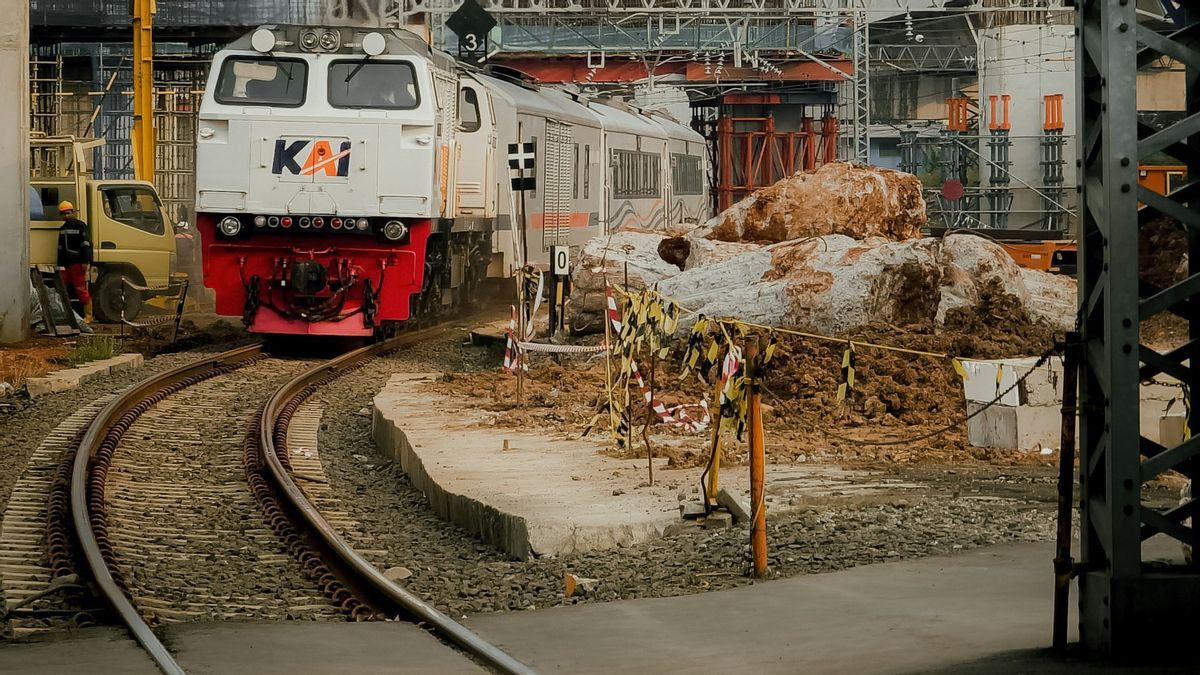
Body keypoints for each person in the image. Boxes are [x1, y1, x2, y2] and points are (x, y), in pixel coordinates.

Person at [56, 200, 93, 323]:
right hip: (65, 265)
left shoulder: (81, 226)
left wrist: (85, 261)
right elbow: (60, 249)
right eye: (63, 214)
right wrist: (59, 266)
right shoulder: (62, 229)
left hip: (77, 264)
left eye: (68, 213)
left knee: (80, 289)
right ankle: (63, 314)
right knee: (60, 290)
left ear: (72, 212)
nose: (66, 216)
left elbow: (86, 244)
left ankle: (89, 316)